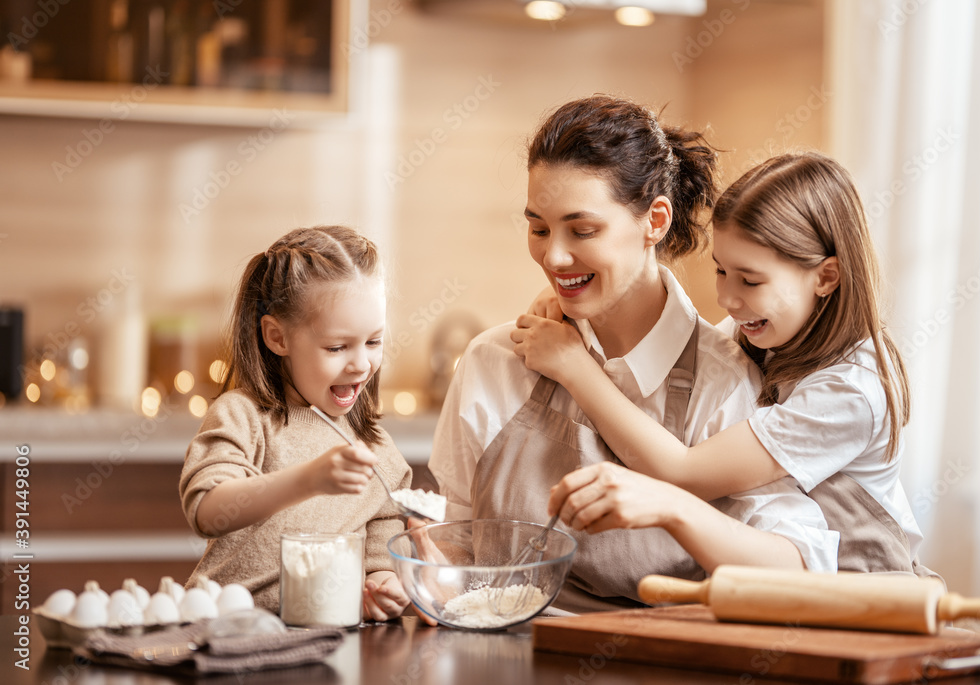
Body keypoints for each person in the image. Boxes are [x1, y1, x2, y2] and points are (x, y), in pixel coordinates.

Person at [428, 95, 840, 613]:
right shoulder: (494, 361)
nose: (553, 256)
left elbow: (799, 568)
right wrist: (414, 583)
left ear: (655, 220)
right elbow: (454, 535)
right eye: (538, 228)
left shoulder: (725, 382)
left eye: (582, 230)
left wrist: (671, 505)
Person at [518, 152, 926, 574]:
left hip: (866, 587)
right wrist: (575, 300)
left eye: (750, 280)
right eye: (720, 271)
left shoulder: (850, 391)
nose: (727, 300)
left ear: (825, 277)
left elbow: (683, 471)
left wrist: (573, 366)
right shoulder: (758, 328)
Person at [179, 225, 412, 620]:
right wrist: (309, 480)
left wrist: (383, 582)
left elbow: (384, 533)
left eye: (373, 342)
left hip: (323, 641)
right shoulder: (245, 416)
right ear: (277, 338)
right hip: (221, 634)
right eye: (337, 347)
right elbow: (206, 509)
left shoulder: (375, 449)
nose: (360, 364)